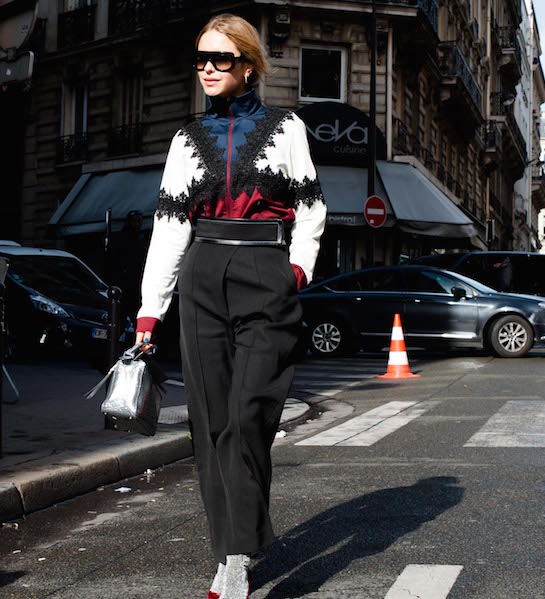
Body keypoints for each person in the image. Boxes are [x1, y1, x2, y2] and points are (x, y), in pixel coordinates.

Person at [134, 14, 326, 599]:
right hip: (201, 272)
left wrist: (294, 269)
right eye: (201, 60)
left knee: (248, 417)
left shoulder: (287, 127)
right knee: (211, 423)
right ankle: (231, 555)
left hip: (266, 271)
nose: (208, 70)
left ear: (248, 64)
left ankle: (238, 546)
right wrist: (149, 312)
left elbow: (312, 208)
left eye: (220, 59)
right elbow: (169, 229)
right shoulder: (184, 141)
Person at [111, 209, 150, 319]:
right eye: (135, 221)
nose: (137, 224)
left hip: (136, 287)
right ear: (129, 222)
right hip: (123, 287)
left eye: (139, 222)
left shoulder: (141, 240)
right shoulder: (121, 239)